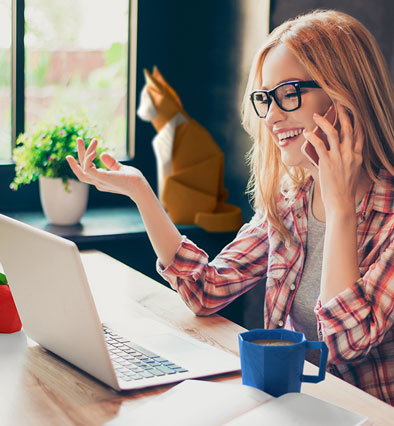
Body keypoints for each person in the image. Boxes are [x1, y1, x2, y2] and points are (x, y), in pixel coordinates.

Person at [66, 10, 394, 404]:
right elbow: (205, 290)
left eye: (289, 93)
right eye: (265, 98)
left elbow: (341, 343)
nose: (272, 116)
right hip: (290, 404)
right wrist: (141, 192)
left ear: (345, 94)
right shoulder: (290, 200)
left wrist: (341, 209)